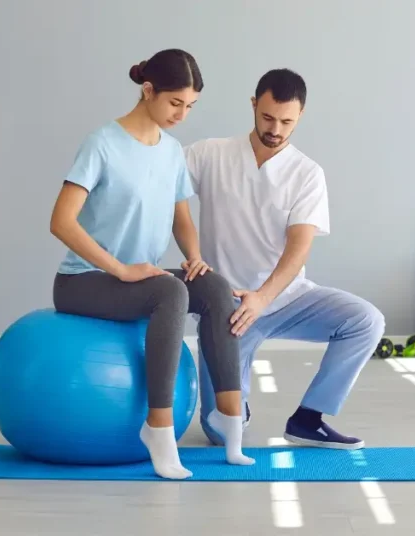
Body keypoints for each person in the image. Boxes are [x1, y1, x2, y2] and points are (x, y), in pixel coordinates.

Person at [48, 49, 253, 480]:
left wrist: (195, 258)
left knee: (215, 288)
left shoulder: (172, 151)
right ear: (148, 91)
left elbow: (181, 217)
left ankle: (229, 420)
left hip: (141, 279)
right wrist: (121, 270)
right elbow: (61, 222)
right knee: (170, 291)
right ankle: (158, 427)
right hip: (85, 281)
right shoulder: (103, 143)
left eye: (190, 106)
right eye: (175, 103)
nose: (182, 114)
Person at [184, 68, 385, 450]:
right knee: (222, 432)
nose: (276, 128)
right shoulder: (209, 154)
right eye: (268, 117)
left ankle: (309, 418)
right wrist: (192, 255)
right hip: (226, 313)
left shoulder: (307, 173)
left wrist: (262, 298)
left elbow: (299, 248)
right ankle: (236, 409)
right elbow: (162, 183)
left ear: (300, 116)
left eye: (287, 121)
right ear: (253, 105)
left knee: (366, 321)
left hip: (285, 298)